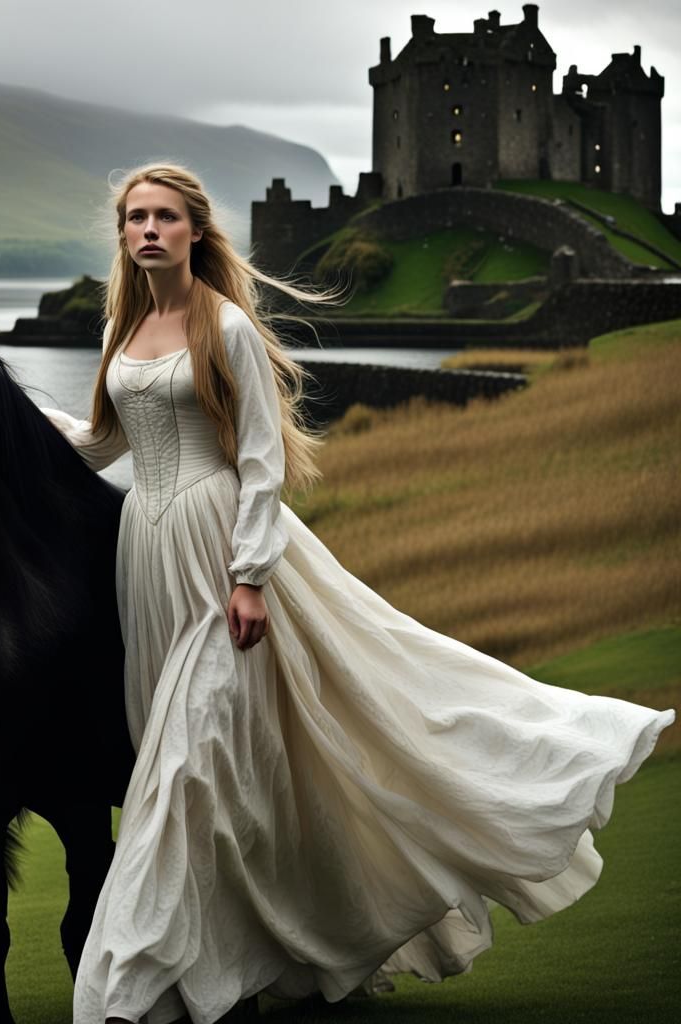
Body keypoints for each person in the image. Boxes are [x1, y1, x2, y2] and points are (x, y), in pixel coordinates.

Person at [39, 162, 674, 1024]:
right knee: (199, 761)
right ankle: (258, 955)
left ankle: (131, 984)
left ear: (195, 229)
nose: (148, 230)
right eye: (134, 218)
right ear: (123, 236)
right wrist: (18, 417)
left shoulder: (224, 327)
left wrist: (253, 577)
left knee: (189, 761)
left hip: (221, 546)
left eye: (164, 216)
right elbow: (104, 447)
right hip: (143, 553)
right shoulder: (123, 328)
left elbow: (261, 459)